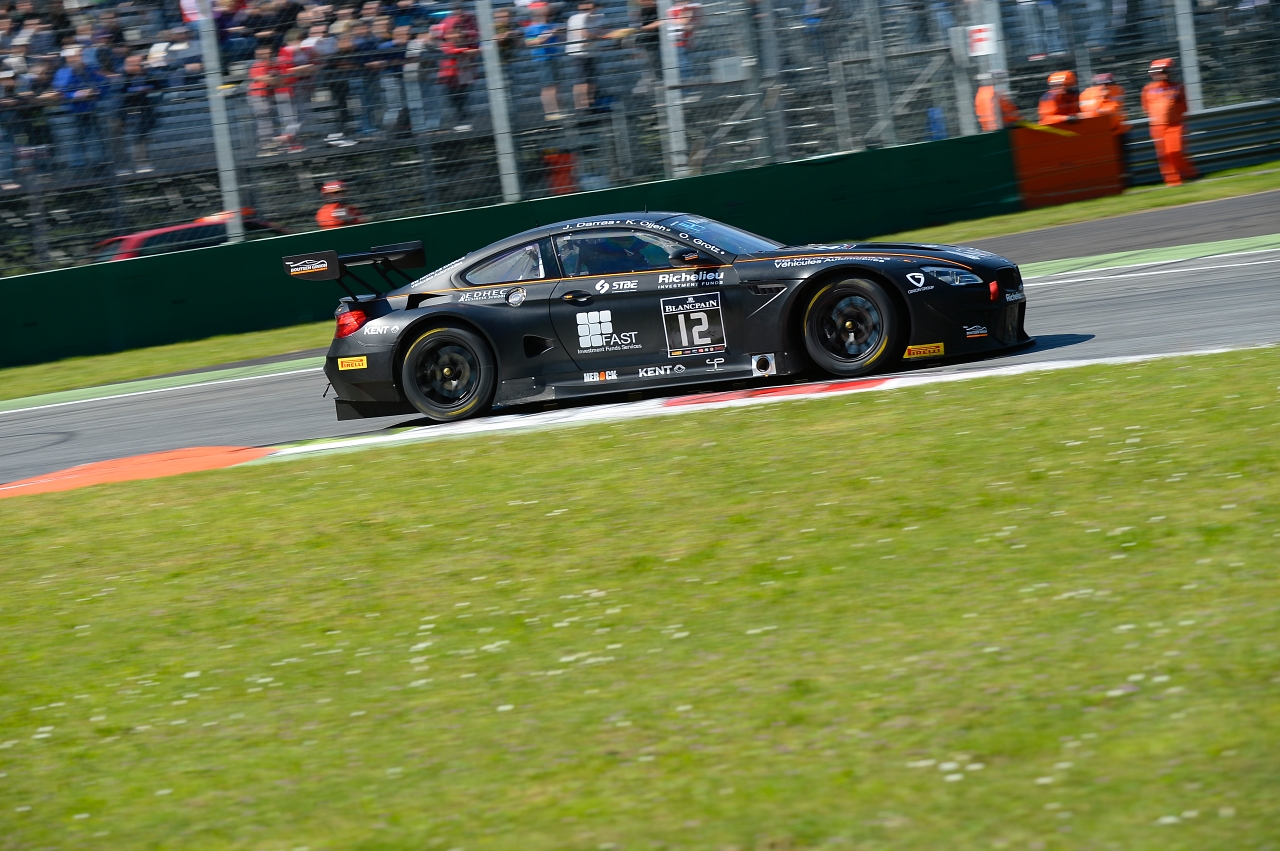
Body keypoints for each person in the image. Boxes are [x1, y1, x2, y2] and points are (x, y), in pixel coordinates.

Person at [1141, 57, 1197, 187]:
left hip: (1175, 125)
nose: (1162, 74)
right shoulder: (1148, 89)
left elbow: (1184, 106)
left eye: (1164, 71)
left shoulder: (1178, 87)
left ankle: (1188, 173)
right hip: (1157, 126)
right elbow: (1146, 107)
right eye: (1160, 72)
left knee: (1175, 151)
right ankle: (1173, 180)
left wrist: (1175, 116)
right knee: (1165, 154)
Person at [52, 46, 107, 172]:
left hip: (91, 109)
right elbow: (60, 92)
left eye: (78, 55)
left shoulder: (92, 69)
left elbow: (104, 84)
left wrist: (95, 91)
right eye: (72, 56)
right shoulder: (63, 72)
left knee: (94, 137)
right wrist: (77, 94)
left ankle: (98, 163)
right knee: (74, 139)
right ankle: (77, 166)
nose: (75, 58)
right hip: (71, 110)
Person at [120, 52, 164, 173]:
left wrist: (149, 87)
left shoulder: (148, 74)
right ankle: (140, 163)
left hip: (146, 110)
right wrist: (136, 90)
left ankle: (142, 162)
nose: (138, 66)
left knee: (142, 136)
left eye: (139, 64)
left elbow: (159, 85)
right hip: (129, 110)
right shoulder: (123, 77)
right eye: (133, 64)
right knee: (136, 137)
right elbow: (121, 91)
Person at [524, 1, 563, 120]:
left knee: (555, 86)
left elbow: (560, 38)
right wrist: (548, 34)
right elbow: (530, 42)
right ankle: (551, 112)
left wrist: (559, 33)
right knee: (548, 86)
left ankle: (557, 110)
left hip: (553, 57)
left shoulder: (550, 25)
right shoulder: (532, 27)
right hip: (542, 59)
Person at [565, 0, 602, 112]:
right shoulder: (576, 18)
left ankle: (590, 105)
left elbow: (600, 31)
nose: (586, 12)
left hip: (591, 52)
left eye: (589, 9)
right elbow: (583, 34)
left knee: (591, 81)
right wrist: (599, 36)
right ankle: (581, 107)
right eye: (584, 9)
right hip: (579, 54)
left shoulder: (595, 18)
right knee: (582, 81)